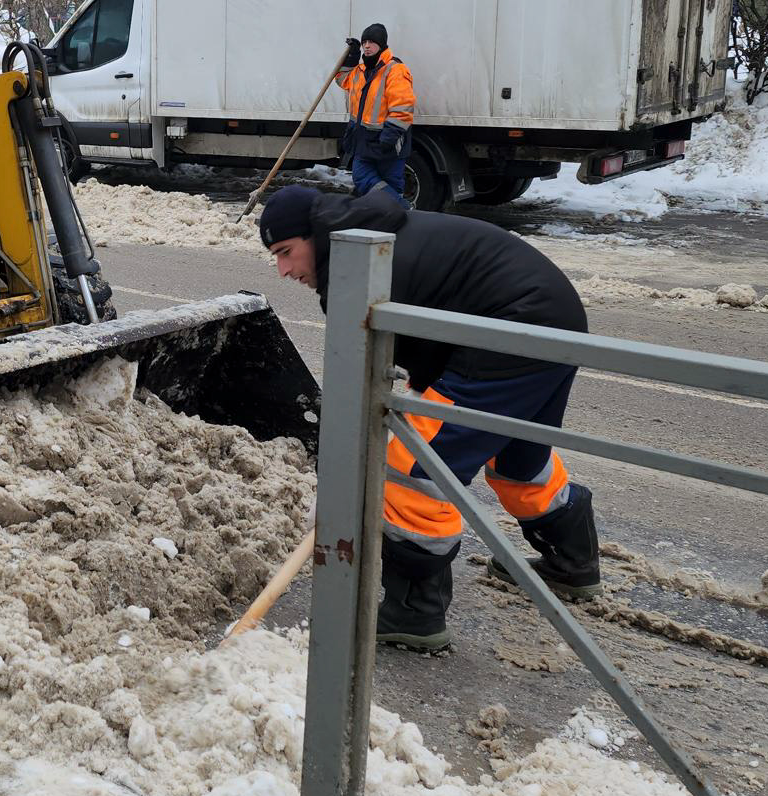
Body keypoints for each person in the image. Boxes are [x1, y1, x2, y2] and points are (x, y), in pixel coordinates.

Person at [257, 184, 602, 652]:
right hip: (551, 321)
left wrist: (338, 485)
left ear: (314, 236)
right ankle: (571, 562)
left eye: (286, 252)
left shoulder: (356, 267)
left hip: (506, 333)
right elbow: (425, 348)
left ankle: (415, 614)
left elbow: (356, 389)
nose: (283, 270)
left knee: (414, 469)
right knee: (517, 451)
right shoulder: (374, 235)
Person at [337, 23, 415, 202]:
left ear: (382, 45)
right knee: (362, 178)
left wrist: (388, 137)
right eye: (364, 42)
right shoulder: (360, 70)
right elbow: (342, 79)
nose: (366, 46)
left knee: (391, 184)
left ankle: (397, 218)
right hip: (364, 141)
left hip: (387, 142)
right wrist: (352, 57)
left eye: (371, 42)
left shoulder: (395, 70)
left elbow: (403, 107)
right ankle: (402, 212)